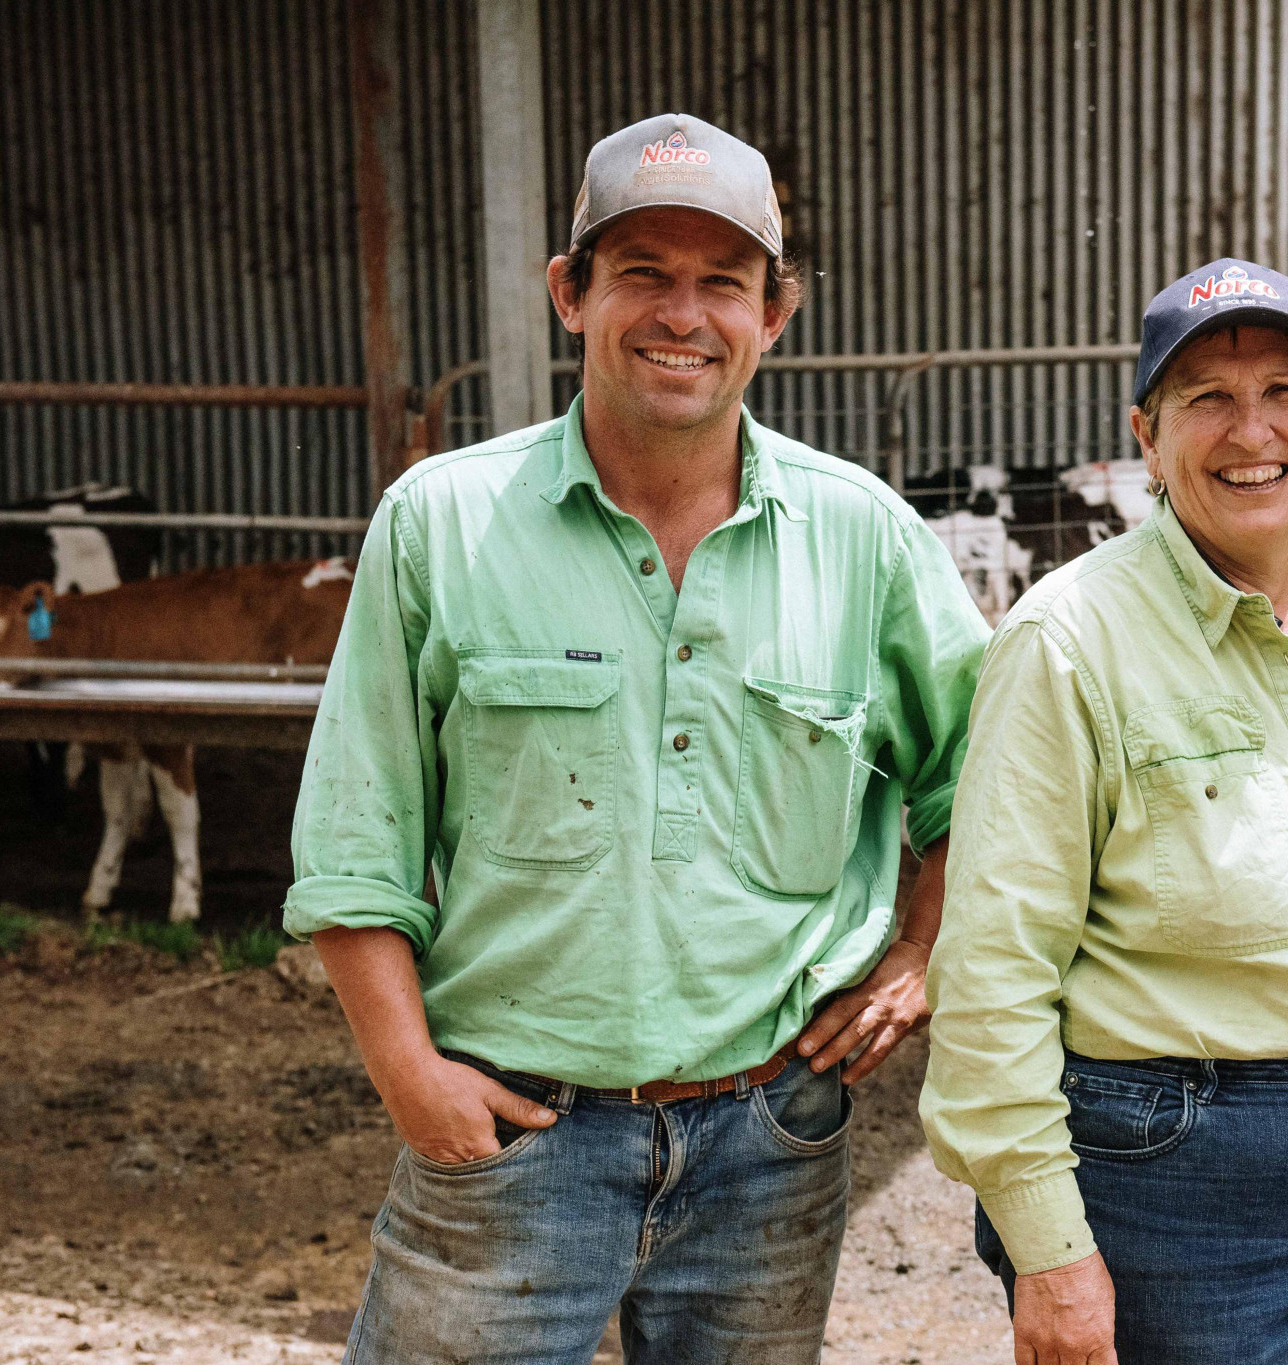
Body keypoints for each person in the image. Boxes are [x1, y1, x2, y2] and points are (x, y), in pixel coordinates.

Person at [284, 114, 986, 1364]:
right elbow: (357, 829)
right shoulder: (442, 522)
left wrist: (921, 954)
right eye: (642, 274)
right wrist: (409, 1073)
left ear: (776, 313)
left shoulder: (863, 538)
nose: (682, 314)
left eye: (723, 282)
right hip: (510, 1132)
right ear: (571, 292)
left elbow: (980, 782)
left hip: (772, 1139)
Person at [921, 259, 1288, 1365]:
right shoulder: (1067, 641)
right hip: (1173, 1177)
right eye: (1204, 399)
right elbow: (990, 968)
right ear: (1146, 438)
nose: (1247, 430)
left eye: (1283, 393)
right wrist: (1047, 1252)